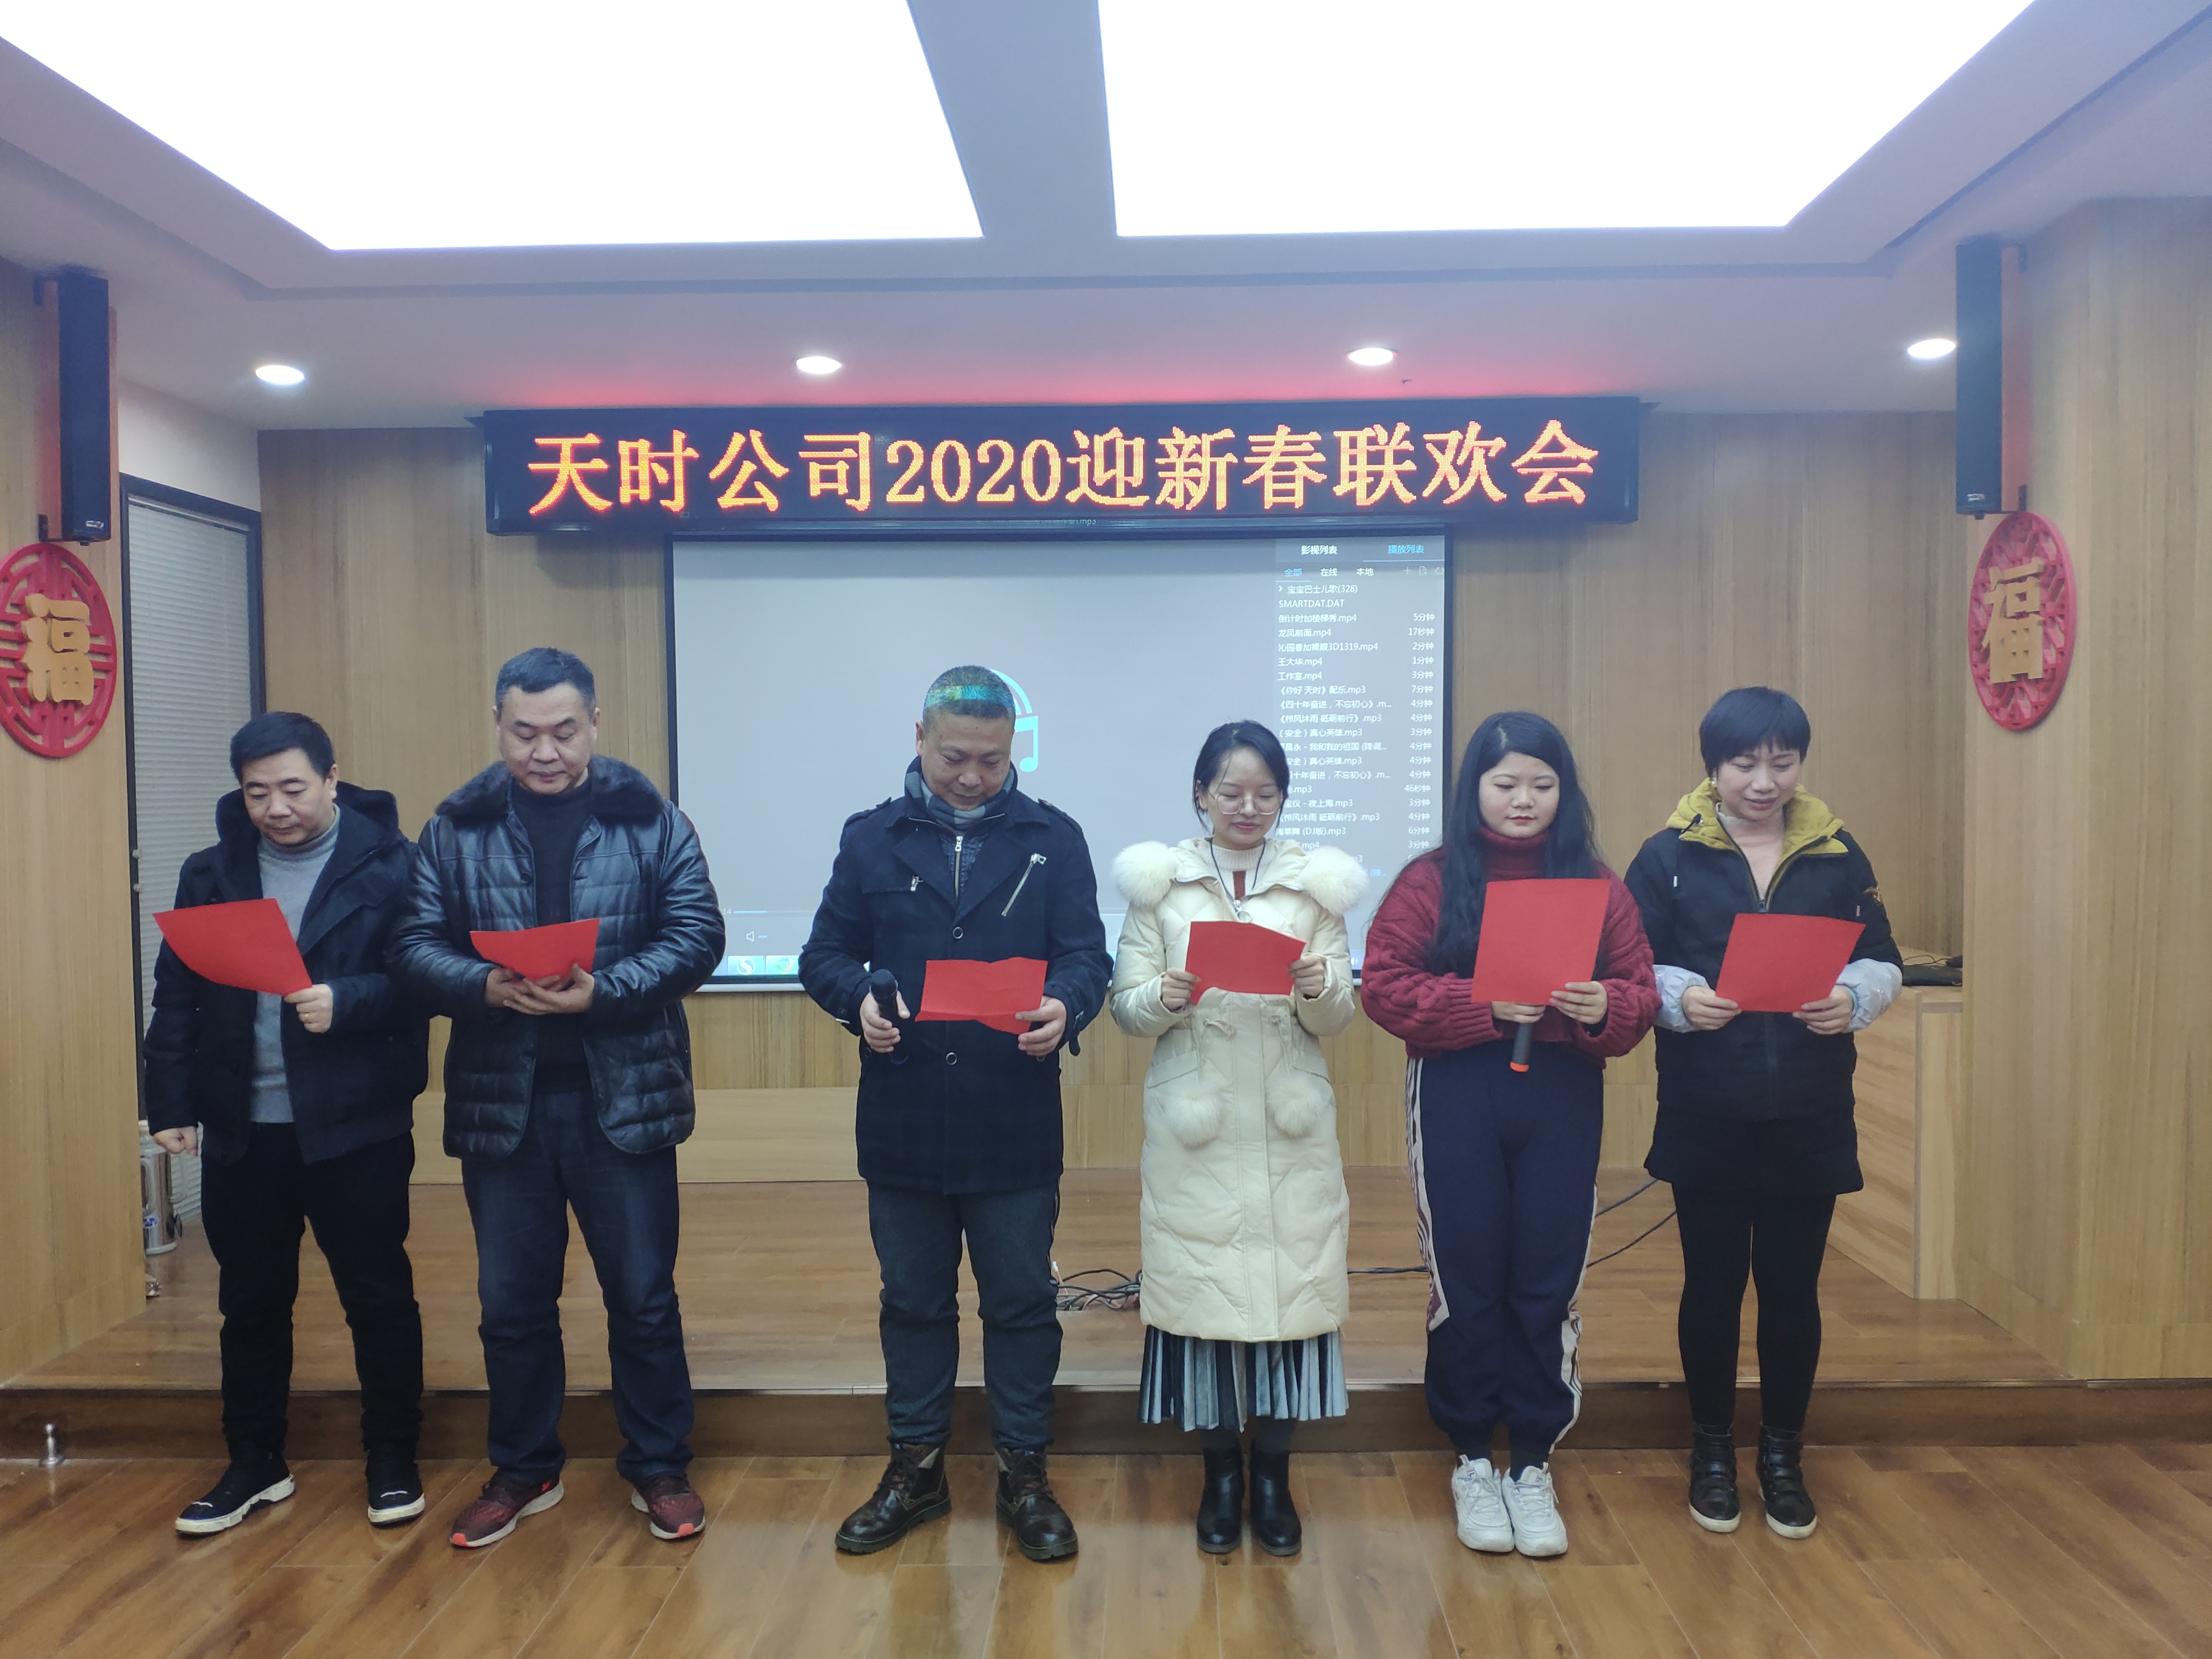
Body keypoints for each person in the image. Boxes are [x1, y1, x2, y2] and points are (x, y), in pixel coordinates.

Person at [388, 647, 725, 1549]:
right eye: (525, 732)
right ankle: (524, 1466)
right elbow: (412, 946)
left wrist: (603, 992)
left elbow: (697, 937)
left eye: (564, 732)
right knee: (511, 1305)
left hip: (624, 1101)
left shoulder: (651, 821)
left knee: (642, 1297)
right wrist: (482, 985)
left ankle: (659, 1465)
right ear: (499, 727)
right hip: (504, 1106)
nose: (545, 751)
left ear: (595, 725)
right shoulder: (454, 828)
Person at [798, 665, 1111, 1562]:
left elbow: (1088, 958)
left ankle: (1024, 1473)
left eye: (992, 760)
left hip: (1013, 1114)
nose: (973, 777)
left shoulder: (1054, 839)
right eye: (954, 758)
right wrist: (858, 1001)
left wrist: (1066, 1005)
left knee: (1021, 1301)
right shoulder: (871, 839)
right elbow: (825, 954)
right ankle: (917, 1470)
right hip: (905, 1115)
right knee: (913, 1302)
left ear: (1014, 750)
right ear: (920, 739)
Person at [1362, 712, 1656, 1559]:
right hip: (1459, 1089)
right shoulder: (1430, 879)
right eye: (1506, 784)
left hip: (1562, 1093)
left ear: (1565, 793)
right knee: (1467, 1275)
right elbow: (1384, 985)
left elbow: (1639, 993)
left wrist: (1604, 1005)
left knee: (1546, 1277)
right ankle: (1469, 1456)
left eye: (1541, 784)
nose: (1524, 799)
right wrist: (1480, 1003)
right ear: (1474, 790)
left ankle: (1531, 1459)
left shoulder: (1596, 883)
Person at [1624, 686, 1901, 1539]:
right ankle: (1711, 1450)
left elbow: (1882, 957)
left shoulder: (1836, 852)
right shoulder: (1668, 855)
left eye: (1782, 762)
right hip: (1708, 1103)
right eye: (1744, 763)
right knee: (1712, 1287)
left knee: (1792, 1289)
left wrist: (1852, 998)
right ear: (1713, 765)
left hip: (1809, 1107)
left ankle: (1783, 1454)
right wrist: (1681, 997)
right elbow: (1632, 963)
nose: (1763, 780)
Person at [145, 712, 430, 1536]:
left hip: (355, 1124)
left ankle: (392, 1456)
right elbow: (179, 995)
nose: (276, 808)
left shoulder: (394, 865)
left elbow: (427, 978)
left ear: (333, 779)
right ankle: (254, 1461)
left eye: (294, 788)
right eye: (257, 791)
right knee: (251, 1303)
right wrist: (171, 1102)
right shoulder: (212, 871)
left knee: (376, 1295)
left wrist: (350, 1000)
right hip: (245, 1126)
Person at [1108, 720, 1366, 1556]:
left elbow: (1338, 1017)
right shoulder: (1162, 887)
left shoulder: (1314, 889)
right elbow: (1125, 1009)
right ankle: (1221, 1475)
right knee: (1205, 1297)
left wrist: (1317, 985)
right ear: (1201, 794)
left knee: (1292, 1293)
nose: (1247, 807)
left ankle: (1274, 1478)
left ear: (1282, 798)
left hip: (1289, 1121)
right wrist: (1166, 995)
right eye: (1231, 792)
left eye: (1265, 793)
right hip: (1200, 1125)